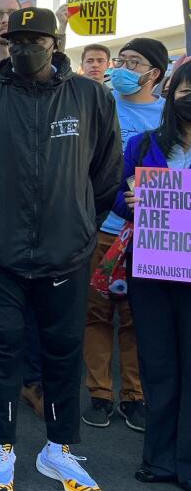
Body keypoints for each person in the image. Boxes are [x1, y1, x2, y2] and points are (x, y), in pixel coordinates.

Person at [0, 7, 121, 491]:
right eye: (16, 40)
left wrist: (81, 223)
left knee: (64, 351)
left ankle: (59, 448)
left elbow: (106, 174)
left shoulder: (90, 97)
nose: (24, 48)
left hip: (66, 253)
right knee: (2, 349)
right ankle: (0, 447)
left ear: (55, 43)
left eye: (35, 40)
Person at [113, 61, 191, 491]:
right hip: (155, 269)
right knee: (158, 365)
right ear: (169, 93)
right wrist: (129, 200)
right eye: (184, 90)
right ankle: (159, 459)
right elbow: (116, 198)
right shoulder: (144, 145)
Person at [82, 38, 167, 431]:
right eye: (123, 60)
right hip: (101, 227)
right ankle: (99, 393)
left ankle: (135, 396)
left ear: (155, 73)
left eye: (135, 63)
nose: (123, 68)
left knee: (138, 318)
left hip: (152, 234)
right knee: (97, 312)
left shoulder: (169, 117)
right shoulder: (100, 104)